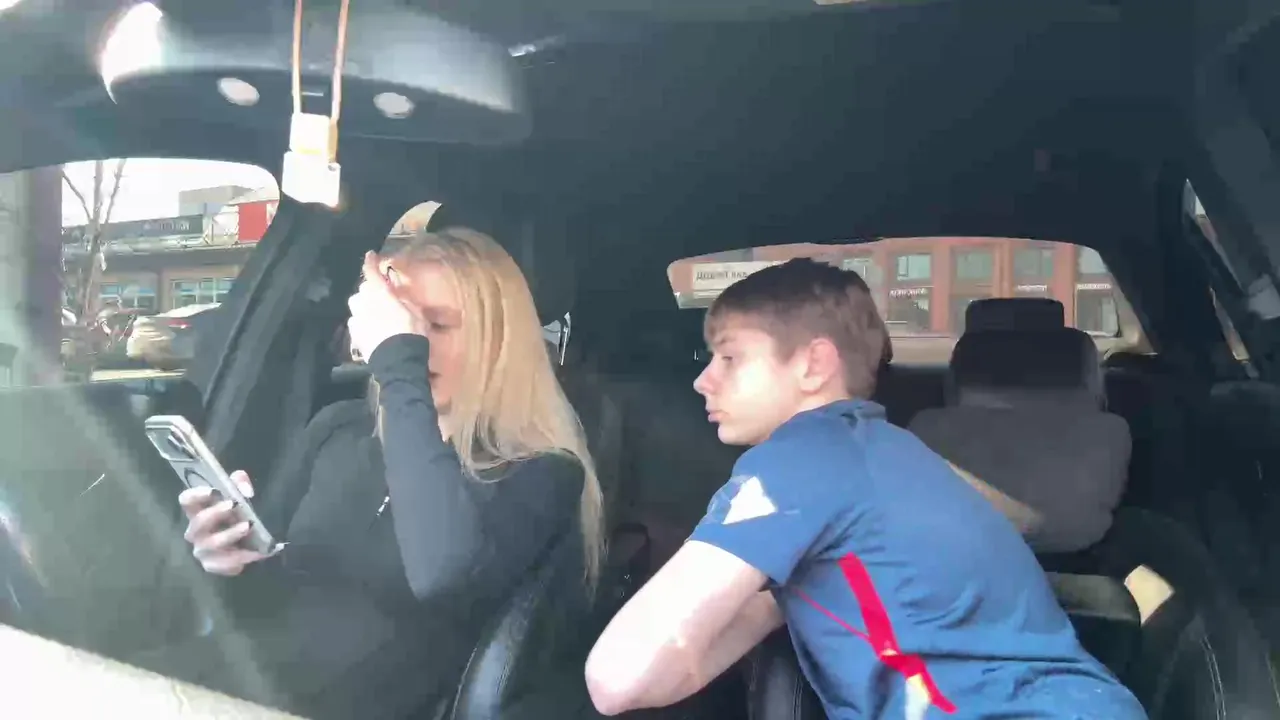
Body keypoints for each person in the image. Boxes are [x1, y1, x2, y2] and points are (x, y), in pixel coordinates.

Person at [584, 258, 1145, 719]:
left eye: (730, 358)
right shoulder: (898, 450)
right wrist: (777, 588)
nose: (703, 380)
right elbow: (1022, 522)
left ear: (813, 365)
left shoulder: (797, 461)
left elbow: (616, 679)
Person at [173, 227, 603, 719]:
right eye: (403, 325)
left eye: (437, 325)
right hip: (238, 676)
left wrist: (402, 368)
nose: (415, 343)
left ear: (497, 343)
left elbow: (441, 575)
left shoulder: (540, 472)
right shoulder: (338, 429)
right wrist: (230, 559)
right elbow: (267, 599)